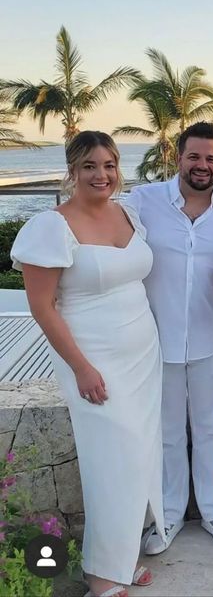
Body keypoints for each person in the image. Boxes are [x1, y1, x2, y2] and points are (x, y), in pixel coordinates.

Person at [11, 131, 163, 597]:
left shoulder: (129, 213)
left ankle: (122, 556)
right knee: (110, 462)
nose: (102, 175)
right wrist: (81, 367)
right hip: (92, 360)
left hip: (143, 355)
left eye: (110, 165)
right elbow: (42, 307)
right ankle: (102, 574)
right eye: (90, 166)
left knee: (140, 457)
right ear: (72, 171)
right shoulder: (50, 227)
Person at [125, 122, 213, 554]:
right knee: (169, 432)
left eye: (211, 158)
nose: (202, 165)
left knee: (210, 428)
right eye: (194, 156)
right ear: (177, 158)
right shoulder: (142, 202)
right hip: (156, 341)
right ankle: (170, 515)